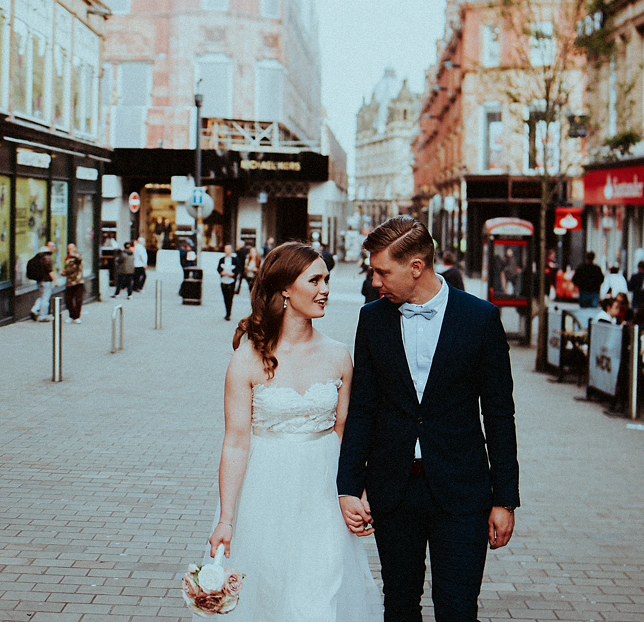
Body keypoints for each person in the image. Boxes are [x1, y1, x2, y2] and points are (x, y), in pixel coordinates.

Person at [338, 216, 519, 621]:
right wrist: (348, 485)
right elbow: (363, 407)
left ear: (416, 267)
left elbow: (499, 413)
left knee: (456, 609)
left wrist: (505, 498)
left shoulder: (480, 319)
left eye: (383, 271)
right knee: (399, 606)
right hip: (393, 489)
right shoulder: (372, 318)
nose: (376, 281)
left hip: (462, 491)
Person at [206, 243, 383, 621]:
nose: (325, 290)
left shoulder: (338, 355)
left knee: (320, 595)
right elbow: (236, 442)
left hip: (324, 492)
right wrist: (226, 518)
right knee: (268, 594)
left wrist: (356, 490)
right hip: (266, 493)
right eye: (315, 280)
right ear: (285, 289)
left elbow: (345, 430)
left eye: (327, 280)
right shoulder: (248, 358)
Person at [29, 241, 57, 322]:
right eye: (52, 247)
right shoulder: (47, 257)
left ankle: (34, 310)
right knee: (45, 298)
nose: (54, 249)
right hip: (46, 281)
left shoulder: (39, 257)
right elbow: (49, 271)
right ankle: (43, 316)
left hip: (40, 280)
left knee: (41, 297)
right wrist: (54, 281)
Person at [62, 243, 84, 323]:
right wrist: (64, 273)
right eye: (68, 249)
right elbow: (68, 269)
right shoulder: (67, 258)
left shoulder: (77, 256)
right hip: (69, 282)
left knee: (78, 299)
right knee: (68, 299)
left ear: (74, 248)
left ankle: (77, 316)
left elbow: (79, 259)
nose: (69, 250)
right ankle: (71, 315)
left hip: (78, 281)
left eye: (71, 248)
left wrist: (73, 255)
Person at [217, 244, 238, 321]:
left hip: (231, 281)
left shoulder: (235, 259)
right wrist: (221, 272)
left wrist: (233, 274)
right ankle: (227, 312)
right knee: (225, 297)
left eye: (229, 249)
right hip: (223, 280)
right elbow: (218, 268)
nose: (227, 251)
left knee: (230, 297)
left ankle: (229, 313)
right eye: (226, 249)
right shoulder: (222, 259)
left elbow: (238, 269)